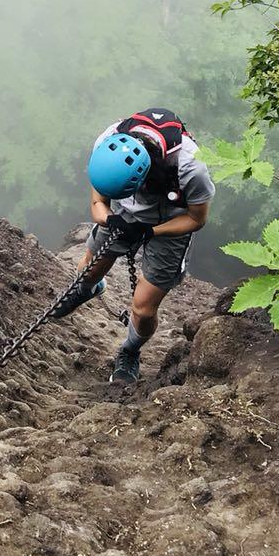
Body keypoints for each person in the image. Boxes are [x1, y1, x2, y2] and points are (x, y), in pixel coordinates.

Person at [52, 108, 215, 387]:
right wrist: (111, 220)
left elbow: (196, 219)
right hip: (122, 214)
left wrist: (149, 231)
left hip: (172, 222)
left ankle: (130, 350)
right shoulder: (108, 144)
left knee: (143, 309)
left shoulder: (190, 167)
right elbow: (98, 202)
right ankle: (90, 287)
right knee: (85, 272)